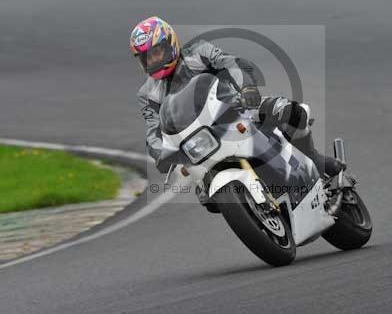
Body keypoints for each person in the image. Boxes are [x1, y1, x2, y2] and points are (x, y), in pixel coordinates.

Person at [131, 17, 344, 206]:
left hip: (237, 109)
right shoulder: (147, 93)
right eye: (146, 58)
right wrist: (161, 154)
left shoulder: (198, 53)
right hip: (197, 141)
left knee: (291, 112)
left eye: (156, 53)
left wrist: (248, 87)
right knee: (206, 196)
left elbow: (232, 63)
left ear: (170, 44)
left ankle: (316, 161)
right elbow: (153, 131)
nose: (153, 61)